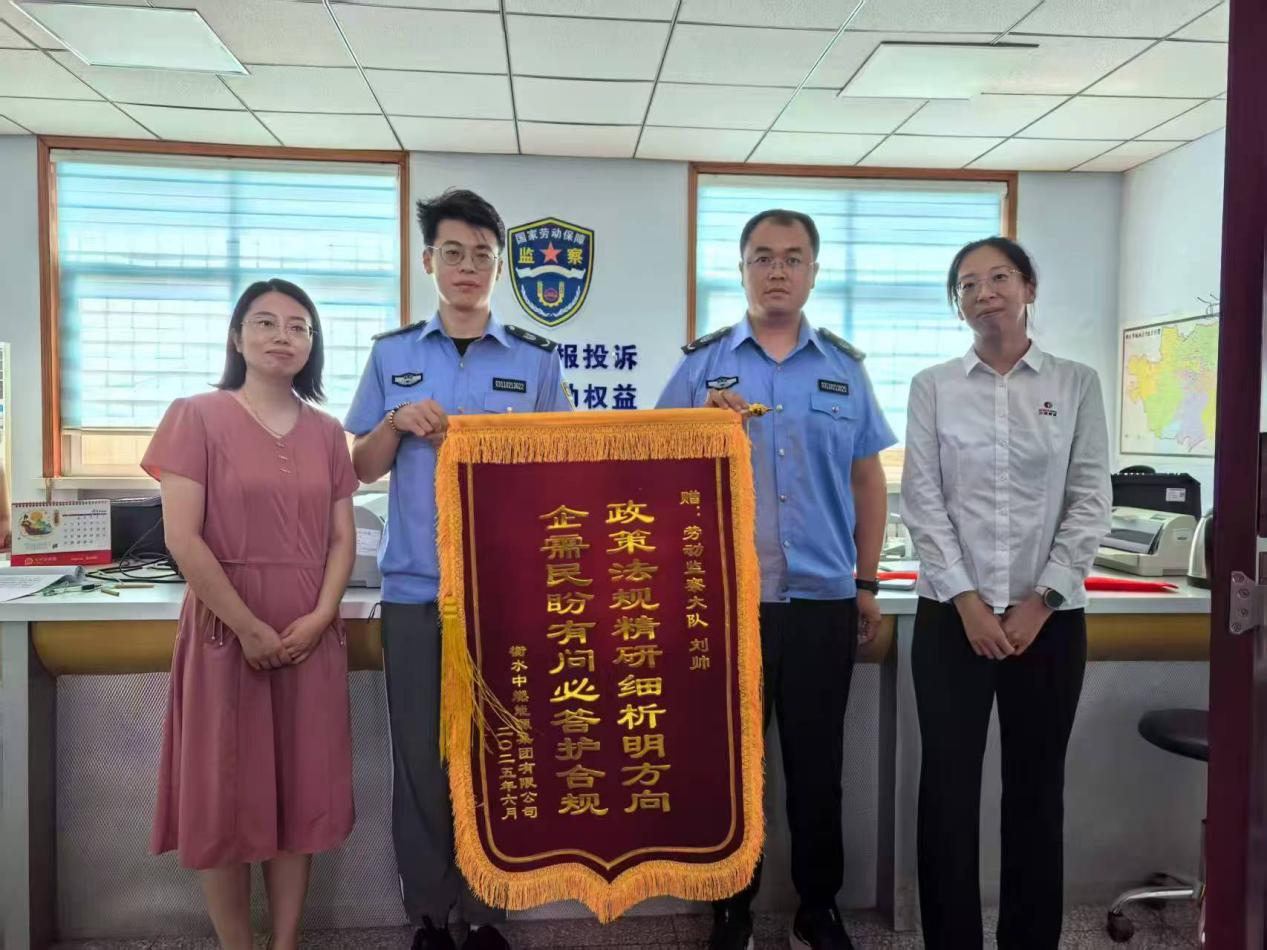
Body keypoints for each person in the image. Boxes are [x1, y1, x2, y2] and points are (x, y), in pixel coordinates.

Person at [657, 209, 895, 950]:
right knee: (731, 766)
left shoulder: (843, 368)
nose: (777, 271)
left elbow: (867, 481)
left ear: (813, 273)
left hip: (822, 601)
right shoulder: (701, 366)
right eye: (762, 257)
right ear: (741, 271)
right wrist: (695, 421)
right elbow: (649, 463)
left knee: (818, 766)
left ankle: (817, 907)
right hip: (727, 606)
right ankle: (731, 907)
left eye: (793, 258)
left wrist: (866, 584)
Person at [345, 188, 572, 950]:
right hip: (417, 593)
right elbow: (360, 467)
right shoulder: (393, 355)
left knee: (499, 754)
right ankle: (430, 915)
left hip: (503, 596)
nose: (467, 267)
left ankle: (487, 912)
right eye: (453, 253)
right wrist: (394, 422)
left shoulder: (537, 361)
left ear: (499, 268)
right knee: (420, 757)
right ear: (428, 262)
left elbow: (558, 472)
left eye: (481, 255)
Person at [900, 237, 1111, 950]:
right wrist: (966, 601)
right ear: (956, 303)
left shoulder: (1075, 383)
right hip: (949, 619)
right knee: (947, 793)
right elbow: (922, 500)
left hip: (1048, 623)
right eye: (967, 284)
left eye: (998, 277)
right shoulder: (932, 386)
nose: (983, 292)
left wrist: (1041, 600)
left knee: (1035, 791)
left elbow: (1090, 499)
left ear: (1028, 287)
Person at [145, 279, 358, 950]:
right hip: (225, 631)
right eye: (264, 322)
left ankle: (284, 941)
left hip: (308, 632)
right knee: (224, 800)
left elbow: (342, 539)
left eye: (299, 326)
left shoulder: (328, 433)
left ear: (312, 345)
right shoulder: (195, 415)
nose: (282, 336)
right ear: (237, 337)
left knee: (301, 794)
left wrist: (321, 616)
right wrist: (246, 626)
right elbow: (182, 538)